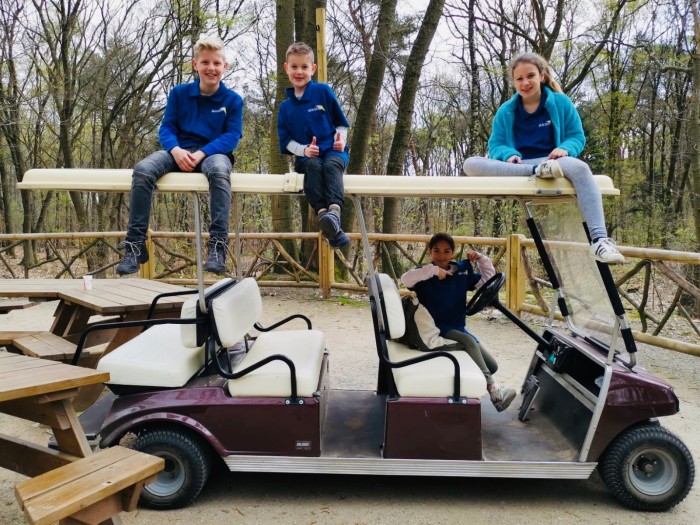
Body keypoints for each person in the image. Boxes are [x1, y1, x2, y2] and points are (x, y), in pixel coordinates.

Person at [463, 52, 624, 264]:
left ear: (542, 75)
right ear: (514, 82)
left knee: (581, 168)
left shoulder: (561, 103)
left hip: (554, 162)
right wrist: (508, 154)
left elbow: (576, 136)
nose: (525, 83)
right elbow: (496, 145)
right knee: (470, 164)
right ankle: (535, 171)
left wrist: (564, 149)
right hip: (521, 167)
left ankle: (600, 240)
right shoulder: (506, 111)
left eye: (530, 76)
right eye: (519, 78)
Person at [116, 35, 243, 276]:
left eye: (216, 63)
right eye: (205, 62)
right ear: (195, 64)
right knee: (143, 170)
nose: (211, 68)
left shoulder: (233, 100)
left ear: (224, 66)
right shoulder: (179, 93)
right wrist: (175, 150)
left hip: (214, 154)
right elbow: (166, 128)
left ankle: (218, 246)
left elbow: (232, 136)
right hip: (178, 151)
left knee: (219, 171)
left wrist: (203, 153)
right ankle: (135, 244)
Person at [400, 233, 517, 412]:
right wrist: (434, 271)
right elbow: (405, 279)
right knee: (468, 341)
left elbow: (487, 280)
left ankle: (470, 387)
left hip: (457, 326)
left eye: (446, 251)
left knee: (492, 366)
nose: (441, 256)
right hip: (435, 328)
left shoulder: (461, 271)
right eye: (436, 251)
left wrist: (481, 259)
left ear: (453, 252)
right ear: (430, 252)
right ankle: (494, 392)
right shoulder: (423, 274)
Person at [277, 42, 351, 249]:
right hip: (307, 157)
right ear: (286, 68)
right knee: (313, 165)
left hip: (333, 151)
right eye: (294, 67)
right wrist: (304, 150)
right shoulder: (285, 107)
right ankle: (324, 215)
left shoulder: (323, 92)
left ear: (313, 69)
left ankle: (334, 213)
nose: (299, 72)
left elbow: (341, 123)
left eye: (304, 67)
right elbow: (286, 141)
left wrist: (340, 141)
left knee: (331, 165)